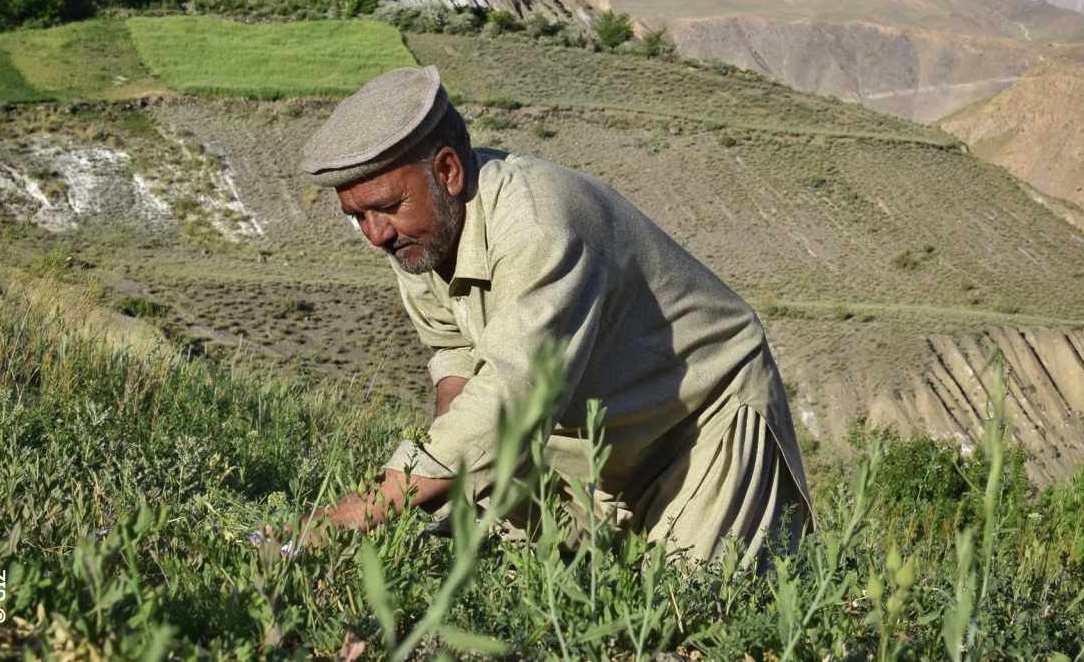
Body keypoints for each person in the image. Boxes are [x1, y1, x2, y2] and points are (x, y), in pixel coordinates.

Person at [296, 64, 812, 565]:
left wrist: (367, 508)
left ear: (447, 172)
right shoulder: (419, 238)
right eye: (356, 216)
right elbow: (455, 355)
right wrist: (445, 484)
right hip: (595, 434)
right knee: (519, 572)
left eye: (386, 207)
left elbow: (512, 393)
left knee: (694, 613)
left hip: (700, 425)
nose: (375, 234)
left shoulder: (540, 227)